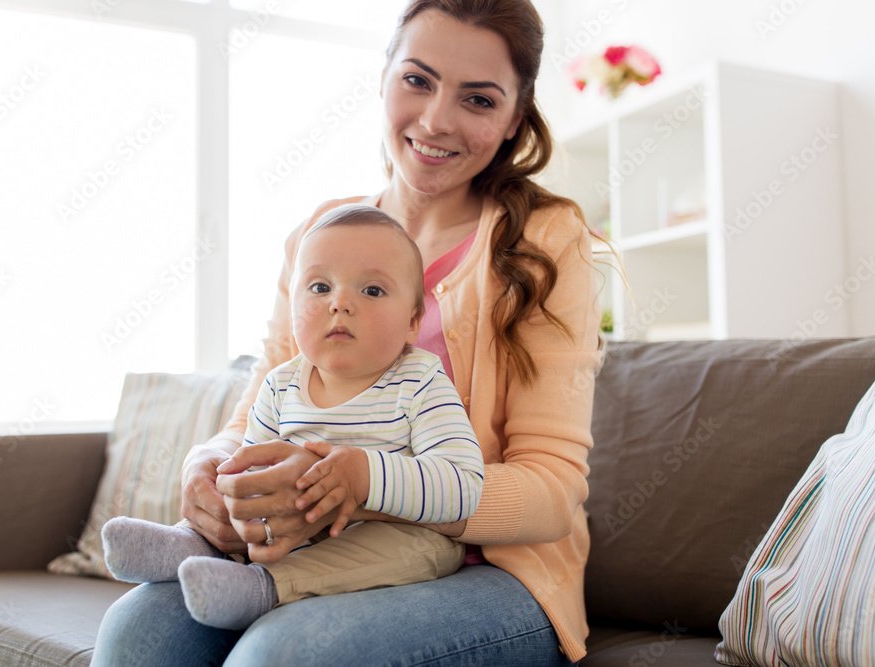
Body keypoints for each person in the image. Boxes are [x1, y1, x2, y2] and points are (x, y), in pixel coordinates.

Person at [93, 0, 603, 664]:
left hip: (495, 570)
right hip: (314, 545)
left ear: (514, 118)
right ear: (384, 74)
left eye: (478, 100)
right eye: (418, 80)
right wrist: (208, 468)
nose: (436, 119)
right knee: (138, 630)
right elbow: (261, 406)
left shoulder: (545, 241)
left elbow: (552, 493)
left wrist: (365, 489)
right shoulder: (323, 233)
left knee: (283, 654)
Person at [100, 204, 484, 631]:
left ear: (413, 322)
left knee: (406, 547)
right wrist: (233, 498)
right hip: (291, 527)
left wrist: (364, 478)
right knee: (248, 507)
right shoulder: (282, 384)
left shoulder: (421, 381)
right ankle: (191, 547)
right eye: (320, 287)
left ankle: (263, 587)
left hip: (396, 534)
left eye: (372, 291)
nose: (340, 303)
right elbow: (250, 463)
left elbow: (463, 486)